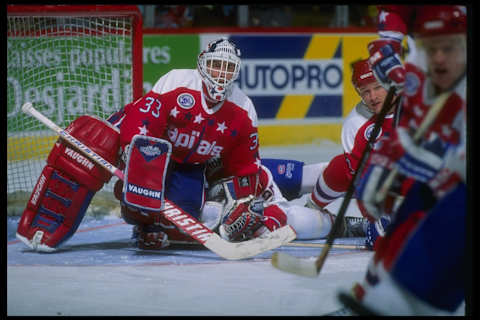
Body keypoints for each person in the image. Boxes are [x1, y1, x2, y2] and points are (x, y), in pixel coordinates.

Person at [340, 5, 467, 315]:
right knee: (417, 203)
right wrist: (392, 156)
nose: (437, 59)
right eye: (428, 49)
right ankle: (386, 292)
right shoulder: (426, 79)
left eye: (447, 48)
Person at [212, 59, 398, 245]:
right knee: (335, 170)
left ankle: (331, 221)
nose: (373, 96)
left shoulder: (418, 109)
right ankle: (330, 219)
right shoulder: (356, 124)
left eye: (378, 87)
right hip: (379, 186)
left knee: (283, 208)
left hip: (408, 189)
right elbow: (360, 181)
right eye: (365, 91)